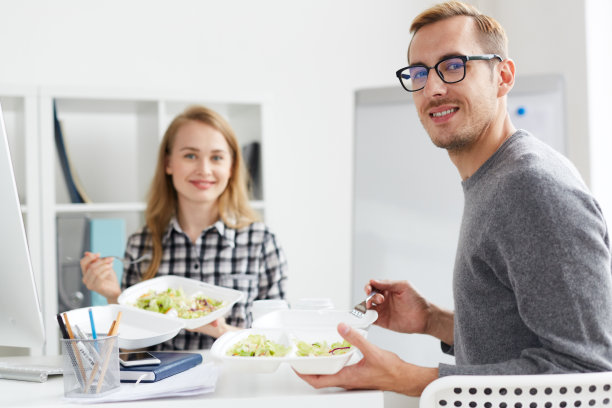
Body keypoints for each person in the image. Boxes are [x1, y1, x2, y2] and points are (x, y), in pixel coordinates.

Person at [298, 0, 612, 396]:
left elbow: (584, 371)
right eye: (418, 72)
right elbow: (519, 338)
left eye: (453, 65)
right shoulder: (494, 178)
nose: (433, 88)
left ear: (503, 76)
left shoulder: (533, 187)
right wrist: (431, 319)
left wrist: (405, 377)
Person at [80, 105, 288, 350]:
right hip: (163, 385)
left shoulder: (261, 242)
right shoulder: (142, 243)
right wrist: (114, 296)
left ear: (231, 167)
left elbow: (279, 342)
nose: (204, 169)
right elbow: (130, 353)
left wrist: (220, 330)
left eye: (217, 157)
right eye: (190, 155)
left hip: (239, 384)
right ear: (168, 163)